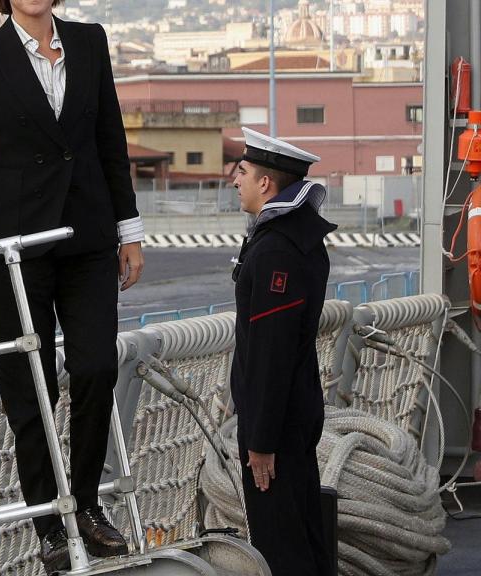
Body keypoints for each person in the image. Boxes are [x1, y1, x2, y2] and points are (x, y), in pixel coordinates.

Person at [0, 0, 144, 572]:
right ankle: (49, 523)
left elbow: (109, 139)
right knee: (29, 386)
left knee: (96, 367)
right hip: (17, 246)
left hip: (88, 237)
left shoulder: (90, 41)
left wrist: (129, 231)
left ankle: (85, 504)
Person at [230, 127, 336, 575]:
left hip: (277, 425)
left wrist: (261, 442)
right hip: (295, 412)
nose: (235, 180)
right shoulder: (295, 237)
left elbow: (272, 352)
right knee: (305, 531)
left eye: (243, 171)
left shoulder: (276, 250)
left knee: (281, 544)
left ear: (265, 183)